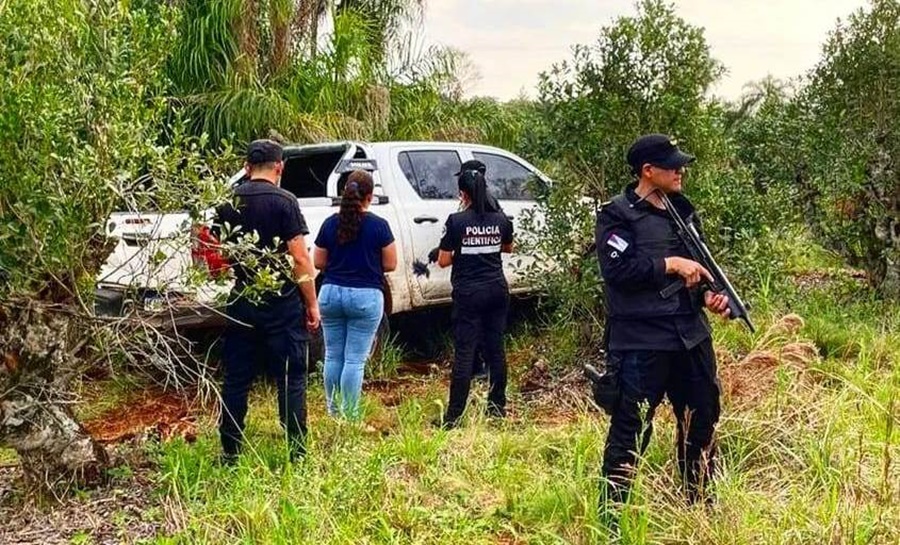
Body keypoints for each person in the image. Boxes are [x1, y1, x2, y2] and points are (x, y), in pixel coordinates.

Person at [594, 133, 731, 508]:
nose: (680, 170)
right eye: (672, 165)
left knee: (701, 420)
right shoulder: (616, 214)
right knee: (631, 428)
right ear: (648, 171)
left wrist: (709, 296)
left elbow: (703, 268)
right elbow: (617, 272)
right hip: (640, 341)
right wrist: (670, 264)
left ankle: (698, 505)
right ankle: (613, 516)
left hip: (690, 336)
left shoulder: (683, 210)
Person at [215, 139, 320, 464]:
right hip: (282, 303)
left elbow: (217, 255)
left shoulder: (227, 202)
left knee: (236, 377)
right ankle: (297, 453)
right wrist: (312, 304)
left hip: (243, 298)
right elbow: (300, 259)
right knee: (291, 377)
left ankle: (230, 452)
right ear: (280, 167)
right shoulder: (285, 201)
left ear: (246, 167)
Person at [314, 170, 397, 420]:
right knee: (354, 360)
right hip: (365, 297)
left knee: (332, 355)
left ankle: (333, 412)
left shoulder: (330, 223)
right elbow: (391, 263)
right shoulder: (379, 226)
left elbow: (318, 261)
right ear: (370, 196)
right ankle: (350, 416)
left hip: (330, 294)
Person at [436, 169, 514, 429]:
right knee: (496, 348)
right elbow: (508, 247)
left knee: (465, 353)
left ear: (463, 193)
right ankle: (496, 407)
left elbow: (444, 260)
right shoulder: (501, 219)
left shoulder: (456, 221)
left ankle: (454, 418)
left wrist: (465, 253)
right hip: (496, 290)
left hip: (469, 294)